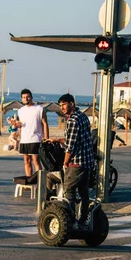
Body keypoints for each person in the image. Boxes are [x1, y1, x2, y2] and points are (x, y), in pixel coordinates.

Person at [50, 93, 94, 224]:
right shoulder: (83, 116)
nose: (62, 108)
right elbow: (78, 138)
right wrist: (58, 140)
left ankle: (70, 220)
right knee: (83, 192)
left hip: (76, 162)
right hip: (87, 162)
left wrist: (65, 162)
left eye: (64, 104)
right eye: (60, 105)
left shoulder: (72, 120)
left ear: (72, 104)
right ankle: (83, 219)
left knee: (68, 190)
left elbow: (71, 146)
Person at [8, 89, 49, 176]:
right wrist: (15, 124)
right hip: (24, 139)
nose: (26, 99)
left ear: (31, 97)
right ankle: (29, 180)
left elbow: (45, 123)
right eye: (23, 97)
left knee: (36, 161)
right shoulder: (20, 110)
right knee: (26, 161)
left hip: (35, 138)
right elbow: (21, 125)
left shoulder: (39, 108)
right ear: (21, 99)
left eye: (28, 97)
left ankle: (39, 181)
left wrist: (46, 138)